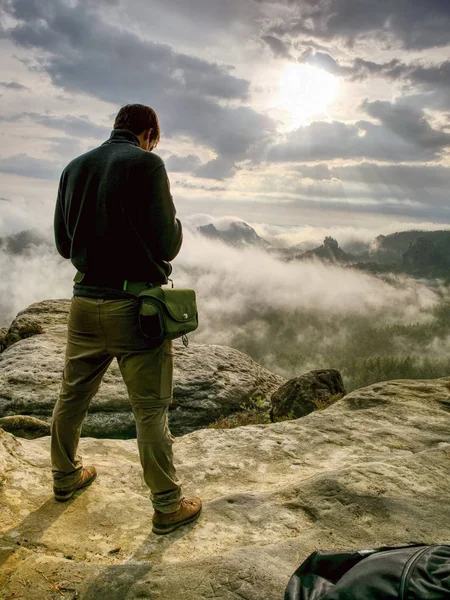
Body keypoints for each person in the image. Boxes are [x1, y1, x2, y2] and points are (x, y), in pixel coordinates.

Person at [51, 103, 202, 535]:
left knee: (72, 396)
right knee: (150, 410)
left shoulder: (74, 166)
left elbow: (65, 245)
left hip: (83, 303)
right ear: (149, 133)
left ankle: (65, 479)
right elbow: (167, 243)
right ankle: (168, 506)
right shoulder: (147, 164)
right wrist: (176, 224)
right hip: (135, 310)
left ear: (116, 126)